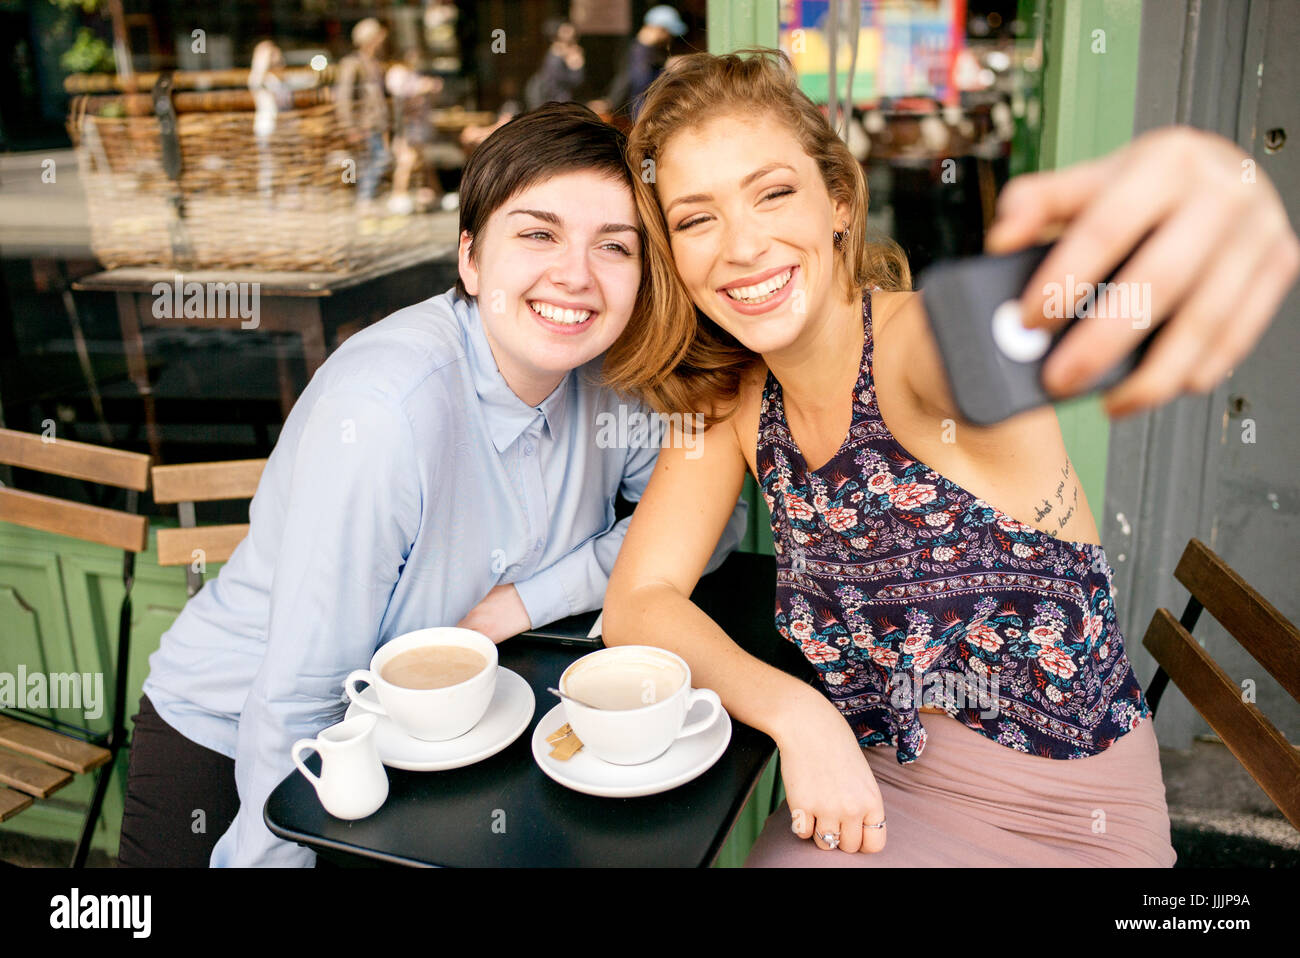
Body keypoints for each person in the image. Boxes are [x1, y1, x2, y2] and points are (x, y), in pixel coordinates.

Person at [601, 49, 1299, 866]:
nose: (742, 245)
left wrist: (1196, 218)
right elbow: (639, 602)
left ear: (837, 200)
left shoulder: (917, 349)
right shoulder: (734, 399)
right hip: (875, 785)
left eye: (773, 193)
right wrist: (797, 713)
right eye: (696, 219)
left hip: (1067, 821)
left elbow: (1046, 314)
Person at [117, 102, 748, 868]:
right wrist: (270, 852)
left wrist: (524, 603)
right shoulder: (386, 414)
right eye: (538, 233)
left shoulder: (612, 375)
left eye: (613, 247)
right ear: (471, 259)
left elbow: (709, 525)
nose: (575, 275)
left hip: (435, 724)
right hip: (238, 734)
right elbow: (295, 702)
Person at [597, 5, 687, 122]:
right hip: (645, 119)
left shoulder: (651, 54)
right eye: (667, 33)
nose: (670, 39)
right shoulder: (638, 54)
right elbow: (638, 82)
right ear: (659, 30)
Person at [336, 17, 392, 206]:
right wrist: (349, 126)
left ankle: (367, 197)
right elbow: (344, 97)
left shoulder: (374, 63)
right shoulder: (353, 64)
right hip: (364, 125)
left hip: (376, 123)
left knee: (377, 159)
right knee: (376, 160)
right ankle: (364, 198)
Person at [525, 18, 586, 111]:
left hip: (554, 102)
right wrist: (576, 65)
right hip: (555, 103)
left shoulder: (557, 54)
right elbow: (574, 81)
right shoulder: (555, 56)